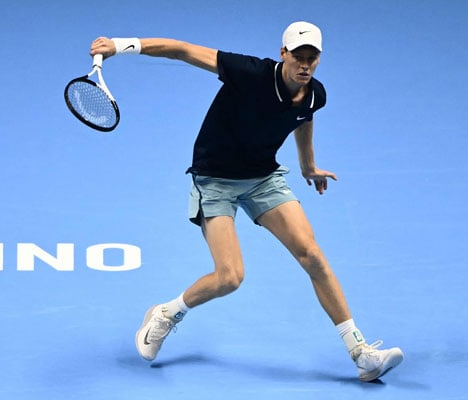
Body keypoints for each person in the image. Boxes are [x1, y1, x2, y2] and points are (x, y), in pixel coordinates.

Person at [89, 21, 403, 382]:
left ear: (319, 59)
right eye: (297, 57)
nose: (304, 65)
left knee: (312, 255)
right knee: (230, 277)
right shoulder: (250, 73)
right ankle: (165, 313)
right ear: (283, 54)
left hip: (263, 180)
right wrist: (121, 44)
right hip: (215, 180)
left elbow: (303, 119)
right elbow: (184, 49)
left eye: (311, 58)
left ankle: (361, 353)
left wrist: (308, 166)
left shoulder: (315, 93)